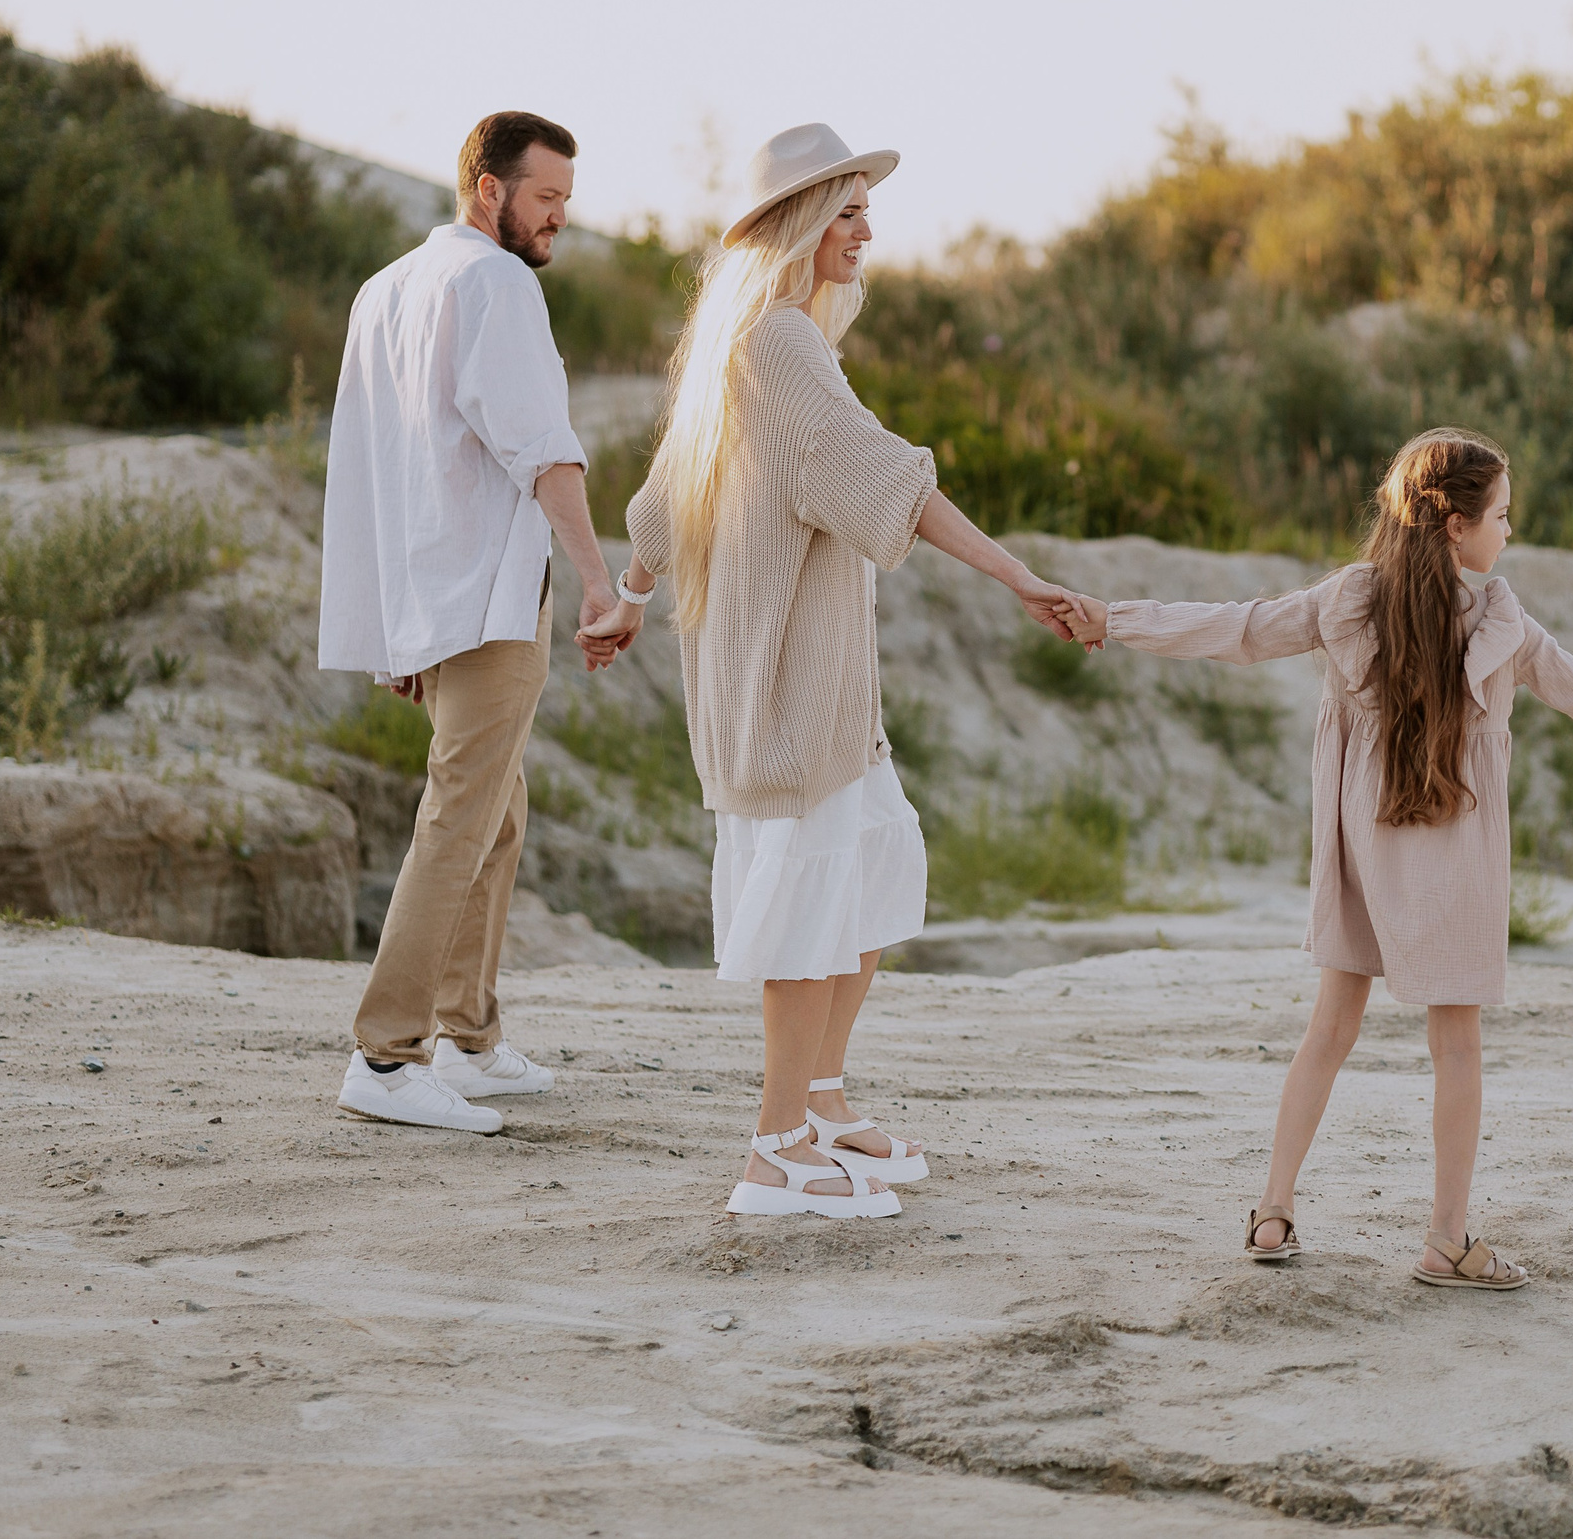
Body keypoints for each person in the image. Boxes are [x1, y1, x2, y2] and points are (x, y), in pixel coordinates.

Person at [1061, 428, 1573, 1286]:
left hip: (1361, 847)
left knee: (1330, 1027)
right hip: (1455, 854)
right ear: (1456, 525)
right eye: (1501, 516)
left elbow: (1238, 629)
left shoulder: (1349, 602)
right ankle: (1446, 1241)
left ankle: (1272, 1213)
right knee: (1456, 1045)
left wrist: (1112, 618)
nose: (1509, 532)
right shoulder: (1503, 625)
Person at [582, 123, 1086, 1217]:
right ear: (800, 225)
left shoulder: (746, 344)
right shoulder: (780, 346)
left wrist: (629, 597)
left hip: (810, 686)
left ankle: (819, 1101)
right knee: (816, 901)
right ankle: (772, 1153)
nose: (866, 231)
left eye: (865, 210)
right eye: (846, 212)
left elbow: (659, 506)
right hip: (789, 682)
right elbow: (886, 478)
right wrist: (1018, 576)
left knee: (865, 867)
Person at [320, 111, 640, 1136]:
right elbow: (544, 450)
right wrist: (597, 585)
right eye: (546, 198)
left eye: (567, 201)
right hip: (491, 598)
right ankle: (386, 1054)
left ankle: (468, 1036)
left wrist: (395, 621)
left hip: (433, 592)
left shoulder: (387, 289)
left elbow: (377, 464)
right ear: (489, 189)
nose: (559, 219)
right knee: (462, 818)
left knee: (495, 813)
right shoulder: (495, 284)